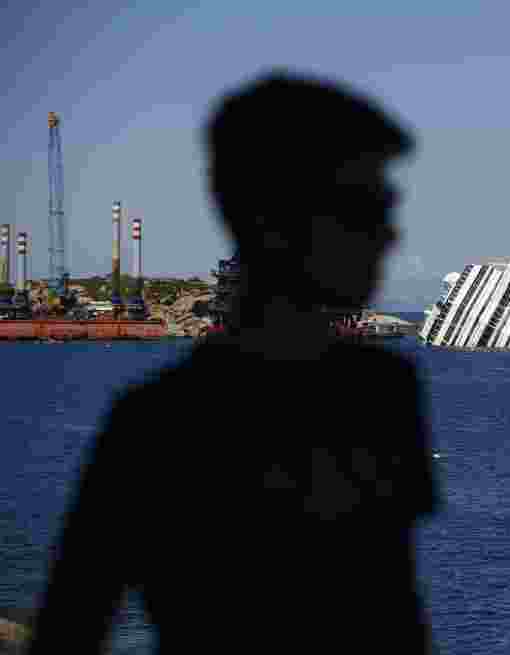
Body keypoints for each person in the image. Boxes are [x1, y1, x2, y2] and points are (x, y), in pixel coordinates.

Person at [28, 71, 439, 653]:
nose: (390, 234)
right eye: (362, 208)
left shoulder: (150, 422)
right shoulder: (380, 393)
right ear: (275, 223)